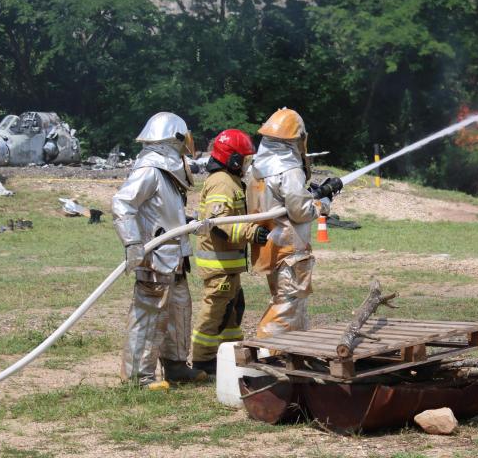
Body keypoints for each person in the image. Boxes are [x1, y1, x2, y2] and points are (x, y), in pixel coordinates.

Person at [112, 112, 207, 388]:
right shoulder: (150, 169)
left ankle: (176, 366)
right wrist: (132, 243)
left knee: (178, 311)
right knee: (149, 316)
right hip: (154, 259)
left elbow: (162, 213)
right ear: (174, 139)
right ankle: (137, 377)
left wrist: (189, 223)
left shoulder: (167, 170)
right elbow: (122, 204)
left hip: (174, 258)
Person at [245, 108, 342, 340]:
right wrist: (323, 203)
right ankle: (264, 353)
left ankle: (294, 355)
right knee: (286, 305)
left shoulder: (255, 168)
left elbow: (283, 202)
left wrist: (312, 194)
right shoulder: (288, 170)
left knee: (292, 304)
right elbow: (300, 212)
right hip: (290, 250)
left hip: (270, 247)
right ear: (296, 139)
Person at [191, 129, 270, 375]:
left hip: (228, 264)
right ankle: (203, 360)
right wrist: (251, 233)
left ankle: (228, 353)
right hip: (218, 264)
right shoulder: (222, 182)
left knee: (233, 309)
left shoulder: (231, 180)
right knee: (215, 310)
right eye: (244, 159)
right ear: (233, 159)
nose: (247, 164)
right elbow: (219, 223)